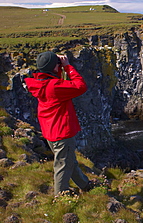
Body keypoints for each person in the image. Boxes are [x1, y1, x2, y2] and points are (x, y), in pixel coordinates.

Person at [25, 51, 92, 195]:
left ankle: (85, 185)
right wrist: (67, 67)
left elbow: (59, 83)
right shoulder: (54, 86)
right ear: (54, 67)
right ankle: (60, 196)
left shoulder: (40, 83)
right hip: (62, 132)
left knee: (69, 161)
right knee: (62, 165)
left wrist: (58, 69)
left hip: (50, 130)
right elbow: (80, 86)